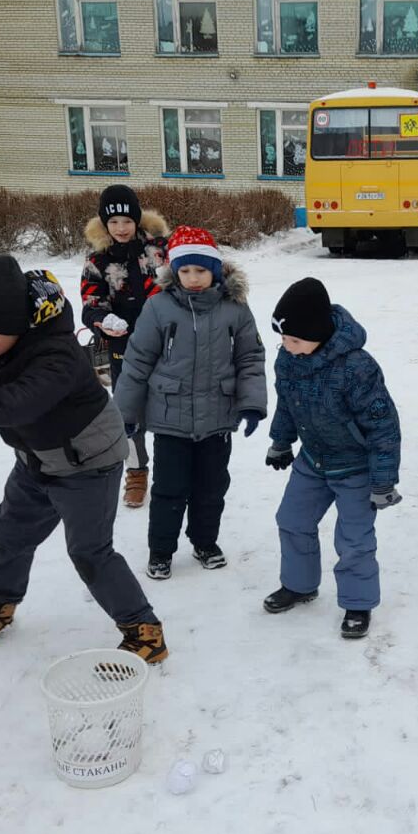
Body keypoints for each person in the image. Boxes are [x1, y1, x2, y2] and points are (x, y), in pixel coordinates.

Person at [0, 255, 168, 664]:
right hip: (36, 459)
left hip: (87, 464)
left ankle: (144, 630)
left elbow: (8, 404)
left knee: (89, 551)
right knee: (10, 531)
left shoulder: (57, 356)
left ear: (16, 324)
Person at [113, 227, 267, 580]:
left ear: (215, 269)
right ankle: (161, 550)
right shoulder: (159, 307)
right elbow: (137, 363)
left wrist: (251, 403)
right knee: (169, 490)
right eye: (185, 271)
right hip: (171, 419)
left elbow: (250, 358)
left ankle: (204, 542)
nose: (193, 279)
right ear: (174, 271)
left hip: (217, 417)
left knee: (212, 489)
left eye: (201, 270)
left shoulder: (235, 309)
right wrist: (126, 413)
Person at [264, 278, 401, 640]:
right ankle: (299, 584)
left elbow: (383, 425)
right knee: (292, 520)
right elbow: (287, 402)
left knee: (354, 539)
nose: (286, 347)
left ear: (318, 334)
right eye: (282, 339)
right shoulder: (289, 359)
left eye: (293, 340)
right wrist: (281, 440)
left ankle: (358, 603)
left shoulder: (357, 368)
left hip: (356, 467)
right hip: (313, 459)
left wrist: (384, 481)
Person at [80, 184, 170, 509]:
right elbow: (91, 302)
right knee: (129, 411)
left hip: (165, 343)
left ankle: (173, 467)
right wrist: (104, 320)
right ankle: (136, 471)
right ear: (105, 224)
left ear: (137, 220)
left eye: (127, 221)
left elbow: (183, 284)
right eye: (114, 222)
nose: (121, 228)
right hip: (124, 346)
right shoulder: (97, 261)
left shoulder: (160, 250)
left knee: (169, 404)